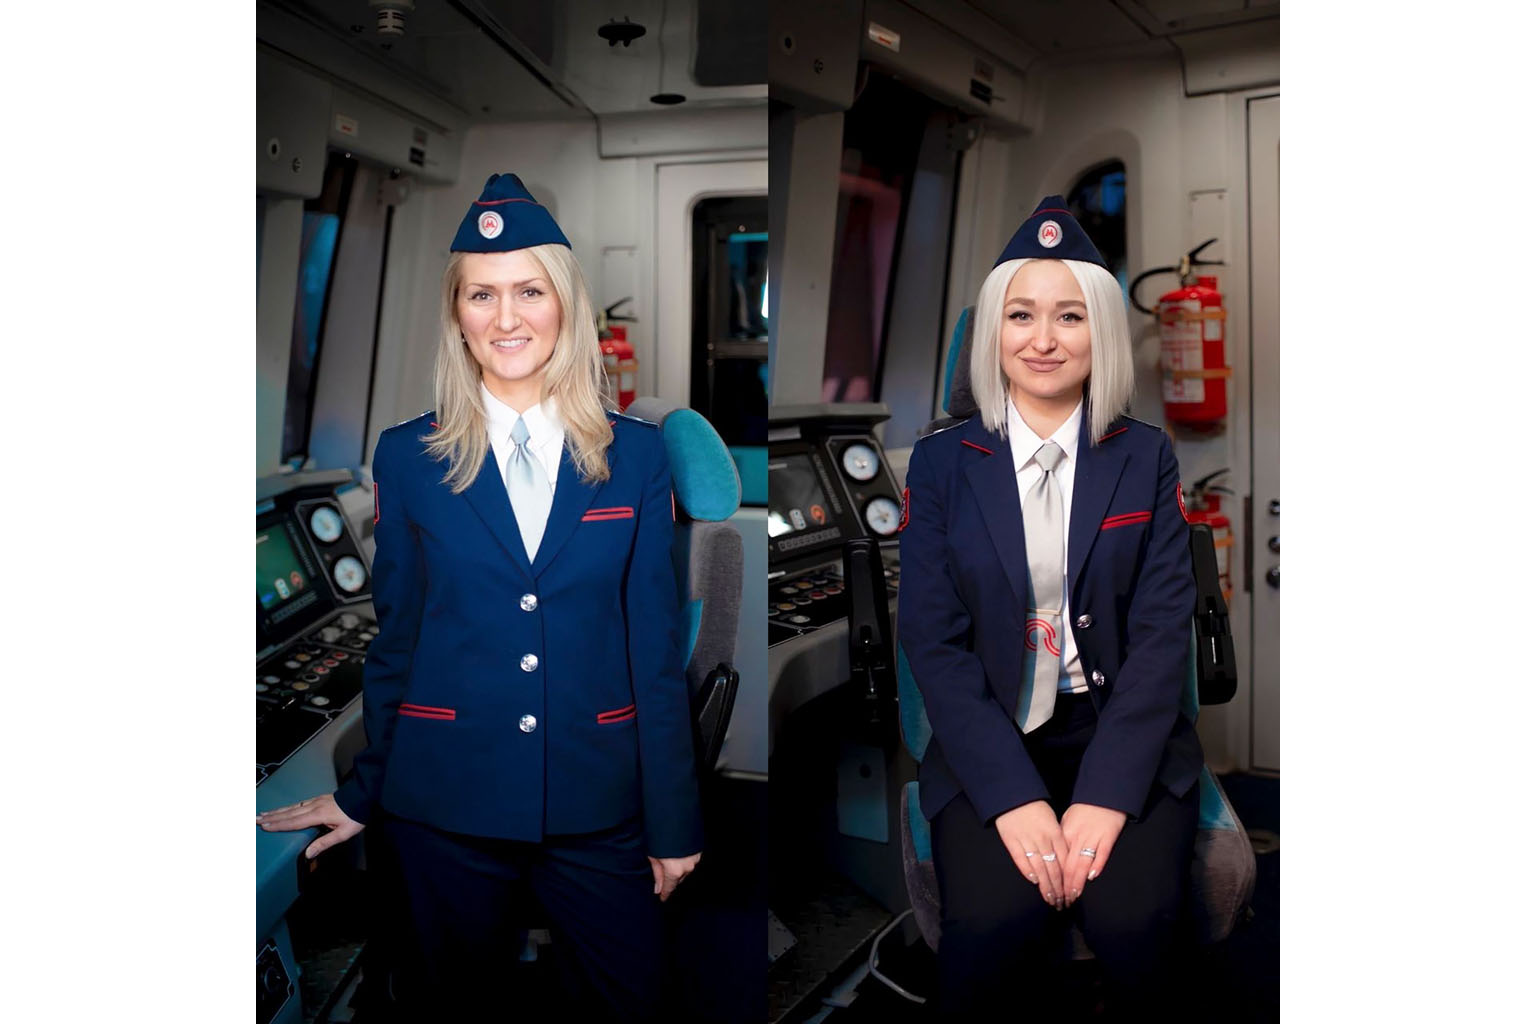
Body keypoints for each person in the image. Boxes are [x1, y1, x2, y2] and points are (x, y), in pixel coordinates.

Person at [257, 173, 703, 1021]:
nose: (507, 318)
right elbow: (400, 643)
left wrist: (674, 818)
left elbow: (652, 649)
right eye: (482, 295)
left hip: (595, 798)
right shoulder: (407, 457)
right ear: (457, 313)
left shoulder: (636, 456)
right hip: (442, 802)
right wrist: (363, 793)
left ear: (564, 304)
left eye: (529, 291)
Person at [897, 196, 1202, 1018]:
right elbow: (934, 643)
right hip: (989, 735)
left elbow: (1162, 638)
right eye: (1020, 315)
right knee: (993, 924)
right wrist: (1013, 796)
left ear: (1099, 331)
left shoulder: (1145, 457)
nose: (1042, 340)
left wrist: (1104, 795)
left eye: (1068, 316)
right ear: (993, 330)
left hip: (1118, 728)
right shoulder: (940, 465)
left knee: (1134, 921)